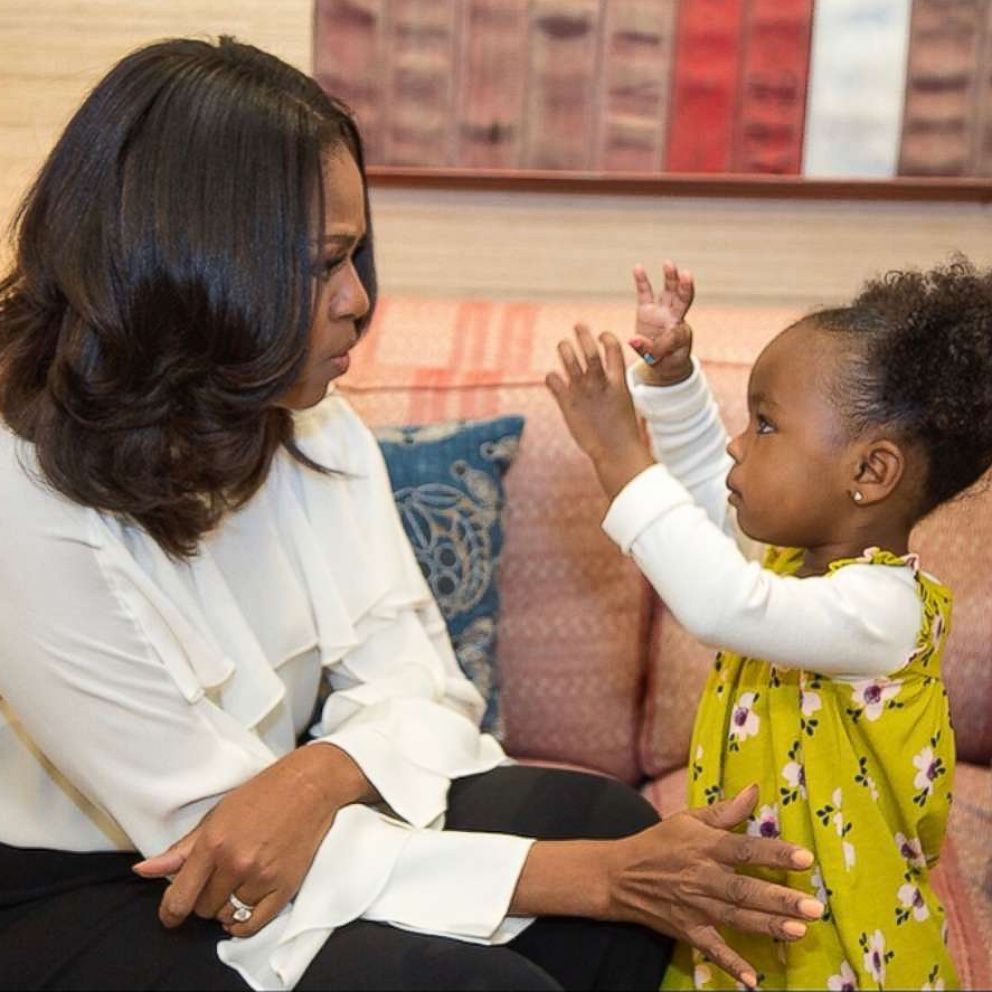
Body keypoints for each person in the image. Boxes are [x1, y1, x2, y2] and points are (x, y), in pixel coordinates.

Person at [0, 38, 825, 992]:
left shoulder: (304, 412)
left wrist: (318, 777)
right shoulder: (23, 491)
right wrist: (589, 883)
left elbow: (426, 686)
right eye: (324, 264)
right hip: (92, 891)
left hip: (289, 813)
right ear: (191, 264)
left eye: (358, 256)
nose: (359, 303)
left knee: (610, 823)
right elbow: (215, 846)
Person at [545, 258, 988, 990]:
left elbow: (718, 602)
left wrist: (620, 456)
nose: (738, 443)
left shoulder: (884, 612)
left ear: (871, 474)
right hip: (763, 916)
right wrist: (672, 384)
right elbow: (707, 496)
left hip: (847, 945)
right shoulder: (792, 563)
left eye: (767, 424)